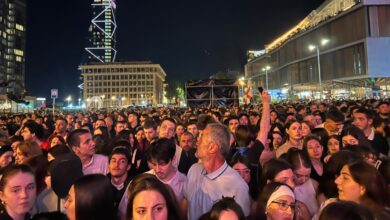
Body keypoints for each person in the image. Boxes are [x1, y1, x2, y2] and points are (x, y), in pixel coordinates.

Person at [184, 123, 251, 220]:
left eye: (201, 138)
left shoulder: (238, 186)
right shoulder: (193, 170)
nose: (197, 143)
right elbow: (186, 205)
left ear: (212, 148)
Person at [107, 146, 133, 219]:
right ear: (109, 165)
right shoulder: (102, 185)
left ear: (128, 166)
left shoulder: (135, 185)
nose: (116, 165)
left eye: (122, 161)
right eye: (113, 161)